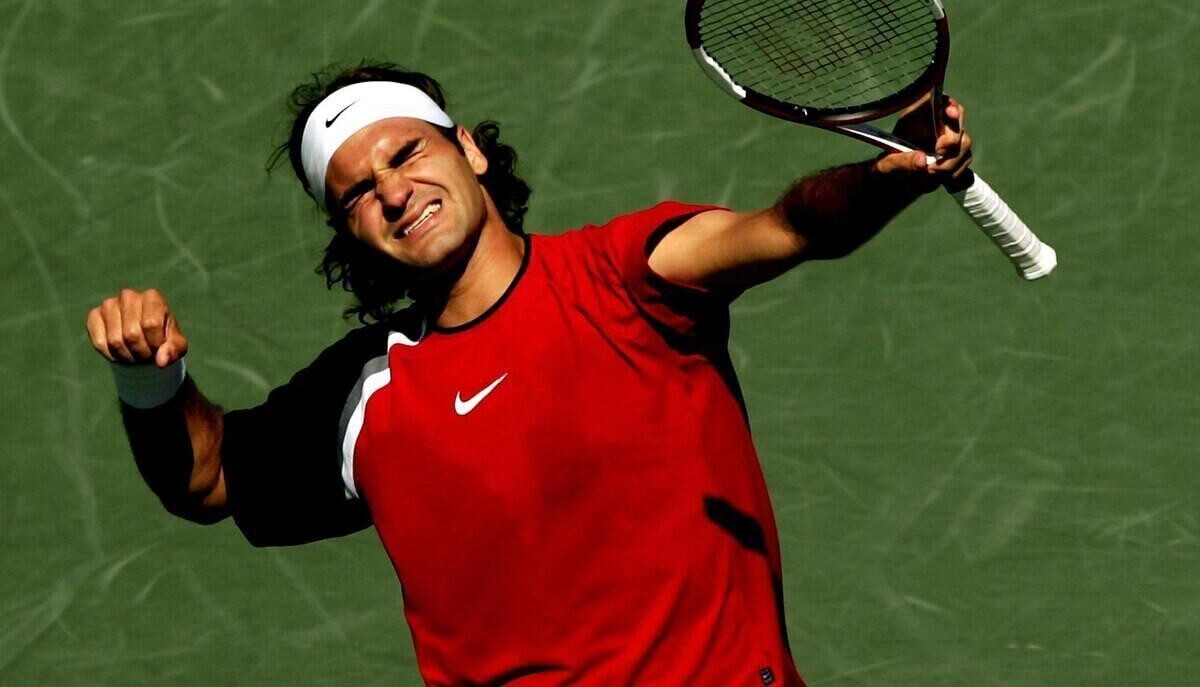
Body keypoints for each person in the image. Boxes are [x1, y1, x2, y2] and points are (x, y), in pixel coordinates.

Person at [86, 63, 971, 686]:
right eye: (355, 192)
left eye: (405, 154)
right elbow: (206, 476)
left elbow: (790, 226)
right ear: (349, 232)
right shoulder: (367, 395)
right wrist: (151, 381)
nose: (392, 192)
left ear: (468, 149)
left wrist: (884, 178)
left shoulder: (626, 277)